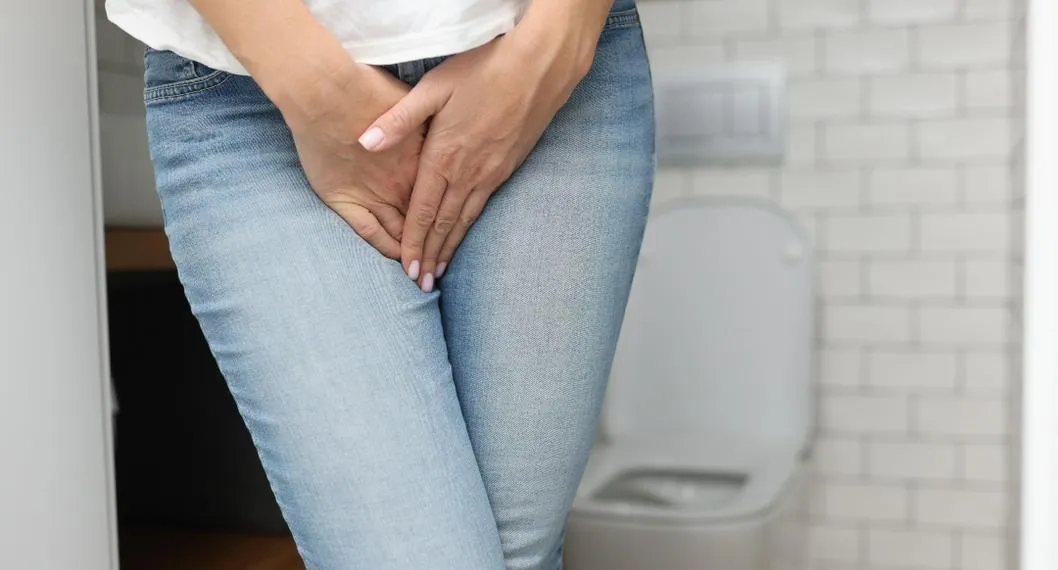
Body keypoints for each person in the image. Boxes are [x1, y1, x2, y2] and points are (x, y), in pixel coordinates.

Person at [106, 0, 654, 567]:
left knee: (521, 556)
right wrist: (319, 90)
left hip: (544, 62)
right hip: (253, 85)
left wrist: (554, 42)